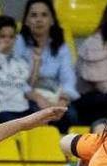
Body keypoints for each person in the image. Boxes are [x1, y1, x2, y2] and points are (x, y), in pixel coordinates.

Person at [14, 0, 79, 131]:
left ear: (52, 20)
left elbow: (68, 78)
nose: (39, 20)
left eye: (44, 15)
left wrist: (63, 100)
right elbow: (16, 80)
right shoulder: (18, 43)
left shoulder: (60, 45)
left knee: (71, 115)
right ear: (26, 21)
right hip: (25, 95)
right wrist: (37, 98)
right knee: (34, 113)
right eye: (34, 15)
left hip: (54, 95)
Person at [0, 15, 35, 123]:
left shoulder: (21, 60)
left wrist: (36, 64)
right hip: (1, 108)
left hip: (22, 106)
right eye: (2, 36)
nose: (7, 40)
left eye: (11, 37)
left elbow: (29, 86)